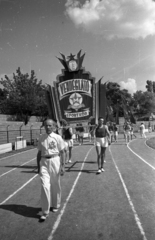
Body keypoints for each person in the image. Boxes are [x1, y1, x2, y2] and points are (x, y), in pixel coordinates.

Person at [37, 119, 65, 221]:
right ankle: (45, 211)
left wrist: (63, 166)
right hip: (44, 162)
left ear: (53, 126)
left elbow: (62, 152)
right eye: (46, 125)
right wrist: (38, 166)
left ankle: (56, 204)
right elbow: (39, 153)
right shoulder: (41, 138)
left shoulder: (57, 137)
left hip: (55, 161)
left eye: (50, 125)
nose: (48, 127)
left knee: (55, 184)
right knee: (45, 186)